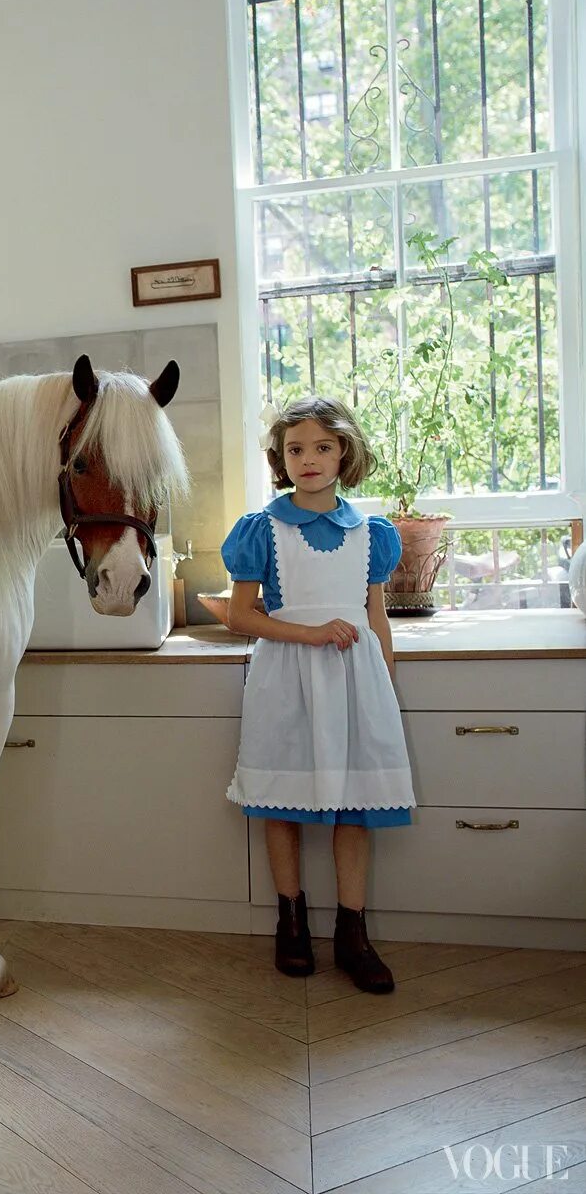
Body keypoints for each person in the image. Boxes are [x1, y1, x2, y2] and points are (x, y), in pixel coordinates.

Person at [220, 396, 414, 993]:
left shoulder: (372, 535)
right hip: (285, 676)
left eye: (322, 447)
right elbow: (238, 616)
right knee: (283, 801)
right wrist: (308, 633)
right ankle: (292, 923)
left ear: (344, 452)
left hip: (355, 679)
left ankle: (353, 935)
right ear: (280, 458)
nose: (308, 459)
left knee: (354, 805)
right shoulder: (262, 531)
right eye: (295, 449)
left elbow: (374, 617)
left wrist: (385, 682)